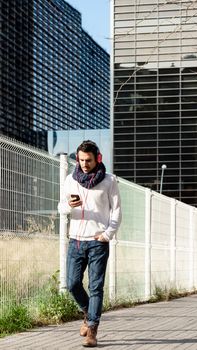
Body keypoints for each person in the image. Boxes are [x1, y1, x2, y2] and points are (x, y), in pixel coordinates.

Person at [58, 140, 122, 347]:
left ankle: (92, 330)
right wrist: (69, 205)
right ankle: (88, 312)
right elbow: (60, 207)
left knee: (96, 287)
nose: (84, 164)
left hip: (97, 243)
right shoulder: (70, 180)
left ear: (98, 159)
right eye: (81, 160)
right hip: (76, 241)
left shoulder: (109, 181)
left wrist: (107, 234)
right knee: (72, 283)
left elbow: (117, 211)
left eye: (89, 160)